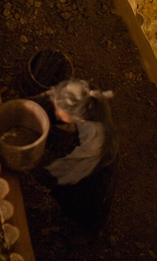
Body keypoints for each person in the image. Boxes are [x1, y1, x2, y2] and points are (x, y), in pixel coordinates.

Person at [33, 79, 118, 231]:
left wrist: (28, 161)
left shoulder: (94, 148)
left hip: (93, 178)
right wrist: (29, 107)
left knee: (83, 205)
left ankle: (88, 229)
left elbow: (54, 174)